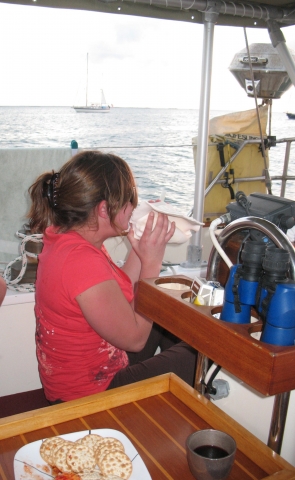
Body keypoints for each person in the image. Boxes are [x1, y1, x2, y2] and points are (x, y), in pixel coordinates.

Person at [27, 151, 197, 403]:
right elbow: (136, 339)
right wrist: (152, 262)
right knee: (199, 353)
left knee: (170, 321)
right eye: (129, 201)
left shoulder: (71, 239)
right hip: (88, 395)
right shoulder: (80, 261)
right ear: (104, 209)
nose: (133, 208)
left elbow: (120, 293)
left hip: (101, 367)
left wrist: (140, 251)